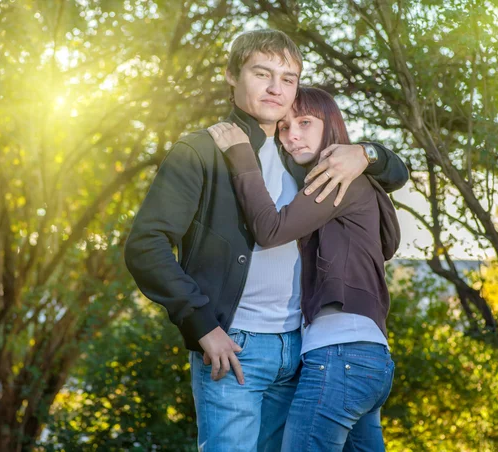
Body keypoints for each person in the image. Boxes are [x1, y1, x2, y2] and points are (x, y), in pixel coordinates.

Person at [124, 30, 407, 452]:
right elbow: (145, 245)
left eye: (288, 78)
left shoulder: (302, 156)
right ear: (231, 75)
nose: (276, 88)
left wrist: (366, 152)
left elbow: (396, 175)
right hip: (235, 347)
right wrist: (201, 324)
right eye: (262, 73)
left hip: (301, 351)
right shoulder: (201, 151)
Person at [207, 86, 400, 451]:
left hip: (339, 357)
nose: (292, 134)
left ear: (331, 126)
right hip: (370, 359)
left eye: (305, 122)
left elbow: (271, 229)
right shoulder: (357, 182)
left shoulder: (337, 178)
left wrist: (240, 156)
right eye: (283, 127)